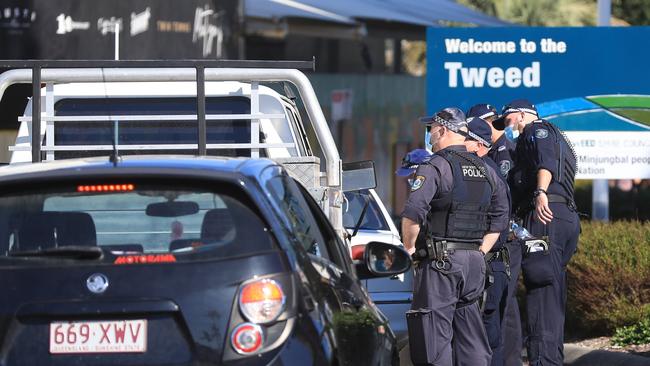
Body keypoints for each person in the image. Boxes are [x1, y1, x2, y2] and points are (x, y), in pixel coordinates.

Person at [402, 107, 509, 366]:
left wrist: (409, 249)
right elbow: (501, 217)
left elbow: (414, 213)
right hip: (474, 263)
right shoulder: (486, 169)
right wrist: (480, 252)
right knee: (470, 333)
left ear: (443, 129)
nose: (430, 136)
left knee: (434, 338)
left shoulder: (435, 166)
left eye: (431, 130)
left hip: (441, 263)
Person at [496, 99, 580, 366]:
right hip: (563, 218)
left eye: (508, 120)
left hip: (545, 216)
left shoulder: (536, 130)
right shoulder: (558, 136)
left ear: (521, 115)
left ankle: (544, 361)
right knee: (552, 292)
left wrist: (540, 193)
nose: (507, 126)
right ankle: (550, 359)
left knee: (542, 292)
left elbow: (545, 161)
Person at [468, 104, 523, 366]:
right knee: (501, 312)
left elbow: (504, 207)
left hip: (500, 244)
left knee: (497, 315)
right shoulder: (491, 158)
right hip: (495, 244)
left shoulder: (501, 157)